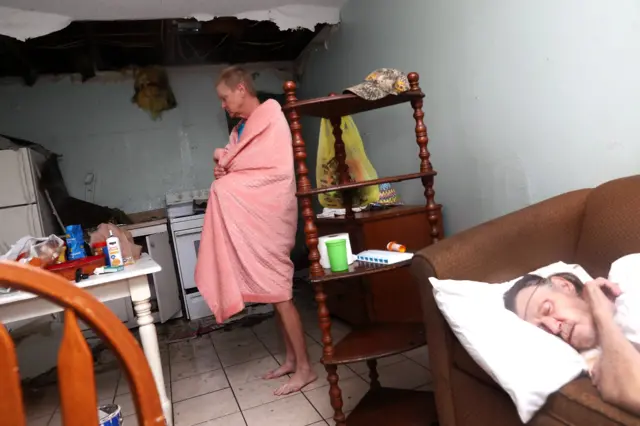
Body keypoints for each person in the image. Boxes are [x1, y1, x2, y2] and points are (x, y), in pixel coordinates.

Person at [195, 66, 317, 395]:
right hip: (253, 218)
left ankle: (305, 369)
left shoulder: (272, 118)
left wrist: (224, 160)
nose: (222, 104)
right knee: (275, 294)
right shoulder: (240, 131)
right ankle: (292, 360)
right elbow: (230, 170)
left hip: (272, 213)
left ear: (240, 89)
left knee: (281, 293)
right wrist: (223, 158)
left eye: (224, 97)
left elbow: (273, 171)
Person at [504, 272, 640, 414]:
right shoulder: (593, 364)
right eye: (542, 329)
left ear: (565, 286)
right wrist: (603, 317)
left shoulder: (628, 277)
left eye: (548, 309)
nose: (554, 328)